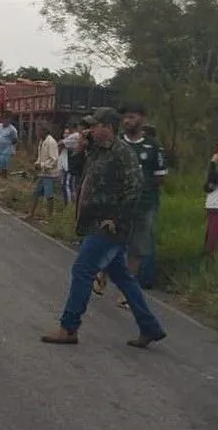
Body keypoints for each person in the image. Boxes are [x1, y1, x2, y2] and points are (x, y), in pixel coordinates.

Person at [41, 107, 166, 348]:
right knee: (123, 277)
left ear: (109, 127)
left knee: (83, 270)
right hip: (93, 222)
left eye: (95, 125)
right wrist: (80, 148)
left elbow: (134, 188)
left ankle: (69, 327)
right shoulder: (97, 151)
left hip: (107, 226)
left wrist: (116, 219)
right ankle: (150, 327)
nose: (89, 130)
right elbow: (78, 172)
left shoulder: (122, 153)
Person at [102, 102, 168, 303]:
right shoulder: (115, 144)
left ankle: (126, 291)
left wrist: (140, 184)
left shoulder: (154, 147)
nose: (127, 121)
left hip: (144, 204)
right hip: (116, 204)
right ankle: (101, 275)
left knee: (137, 249)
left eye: (132, 117)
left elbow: (160, 177)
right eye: (125, 117)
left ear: (142, 119)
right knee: (109, 241)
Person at [26, 121, 59, 220]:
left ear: (44, 131)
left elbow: (54, 159)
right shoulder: (42, 141)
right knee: (36, 193)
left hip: (49, 174)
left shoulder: (51, 142)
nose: (36, 133)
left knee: (49, 195)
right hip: (43, 173)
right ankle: (31, 213)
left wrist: (42, 165)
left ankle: (49, 217)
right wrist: (37, 164)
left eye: (38, 130)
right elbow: (41, 157)